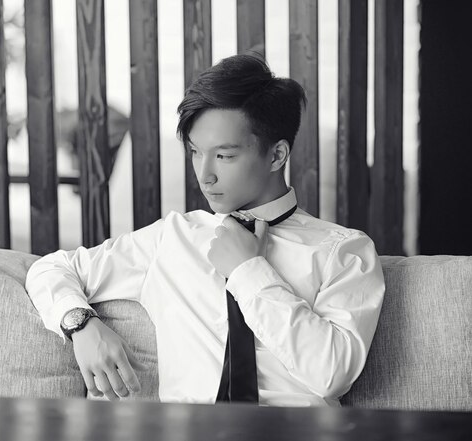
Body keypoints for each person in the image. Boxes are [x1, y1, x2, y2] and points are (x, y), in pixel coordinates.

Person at [25, 53, 385, 407]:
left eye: (224, 156)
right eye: (196, 152)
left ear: (277, 156)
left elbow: (331, 374)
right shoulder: (174, 237)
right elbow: (51, 269)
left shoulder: (344, 251)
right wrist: (81, 325)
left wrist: (248, 272)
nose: (205, 174)